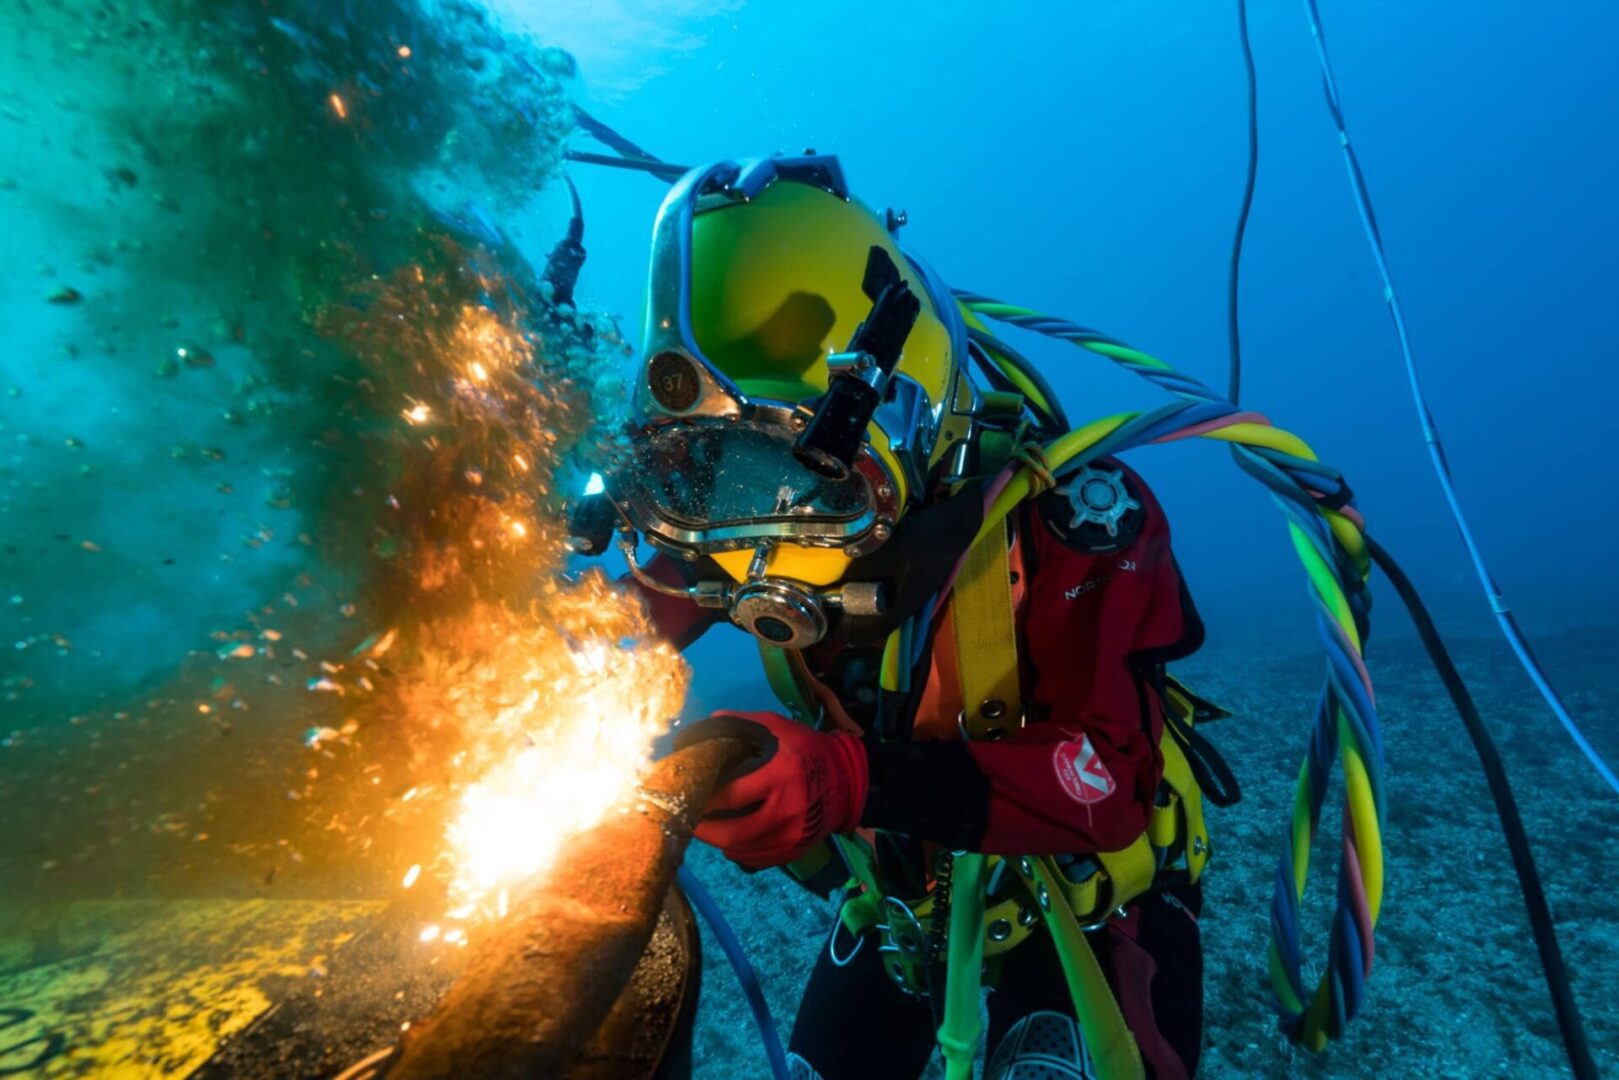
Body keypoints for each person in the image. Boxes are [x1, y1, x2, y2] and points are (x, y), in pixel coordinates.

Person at [587, 154, 1233, 1080]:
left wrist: (848, 779)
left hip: (1085, 897)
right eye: (702, 476)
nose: (753, 543)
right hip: (901, 907)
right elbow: (603, 636)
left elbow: (1111, 781)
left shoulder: (1079, 523)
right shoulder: (719, 524)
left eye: (798, 478)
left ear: (905, 408)